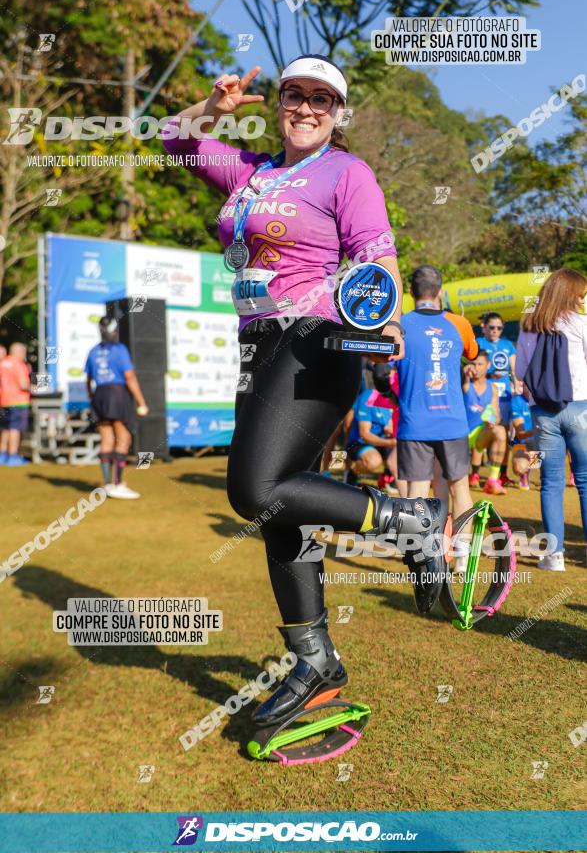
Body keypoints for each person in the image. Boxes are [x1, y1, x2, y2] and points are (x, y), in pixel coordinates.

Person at [163, 56, 449, 728]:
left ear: (338, 113)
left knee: (253, 490)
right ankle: (313, 658)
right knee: (280, 510)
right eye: (295, 94)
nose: (306, 107)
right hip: (259, 346)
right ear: (280, 102)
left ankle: (413, 521)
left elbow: (375, 253)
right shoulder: (253, 171)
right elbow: (170, 139)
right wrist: (210, 107)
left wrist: (385, 319)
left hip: (318, 338)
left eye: (322, 99)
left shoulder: (346, 173)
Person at [516, 267, 587, 571]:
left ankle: (554, 556)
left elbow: (520, 372)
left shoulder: (529, 324)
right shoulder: (582, 323)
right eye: (581, 295)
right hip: (581, 407)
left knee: (551, 483)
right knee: (584, 480)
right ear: (571, 294)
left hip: (542, 412)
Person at [396, 265, 478, 527]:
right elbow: (473, 354)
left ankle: (417, 558)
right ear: (440, 291)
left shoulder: (400, 324)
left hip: (414, 422)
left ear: (411, 291)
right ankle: (463, 557)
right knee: (460, 487)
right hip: (452, 421)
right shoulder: (459, 323)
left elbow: (381, 370)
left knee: (417, 490)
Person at [85, 317, 149, 499]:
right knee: (123, 438)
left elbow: (88, 380)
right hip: (117, 394)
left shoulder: (93, 351)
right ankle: (118, 484)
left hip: (100, 395)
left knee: (106, 438)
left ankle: (107, 484)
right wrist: (142, 402)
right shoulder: (120, 350)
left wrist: (93, 397)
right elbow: (130, 377)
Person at [344, 367, 403, 495]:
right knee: (373, 461)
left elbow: (392, 426)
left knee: (406, 450)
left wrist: (390, 431)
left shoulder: (396, 398)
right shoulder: (368, 397)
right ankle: (351, 473)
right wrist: (392, 442)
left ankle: (388, 478)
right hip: (361, 442)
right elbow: (364, 434)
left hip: (382, 441)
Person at [477, 311, 518, 486]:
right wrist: (488, 374)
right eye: (491, 327)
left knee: (505, 434)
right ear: (484, 327)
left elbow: (515, 371)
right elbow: (473, 367)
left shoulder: (508, 345)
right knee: (483, 431)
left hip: (505, 397)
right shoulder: (479, 343)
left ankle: (502, 473)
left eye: (499, 328)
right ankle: (475, 473)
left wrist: (517, 387)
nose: (495, 331)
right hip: (484, 395)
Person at [463, 350, 508, 495]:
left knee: (500, 431)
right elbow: (464, 387)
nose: (475, 367)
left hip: (479, 435)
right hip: (459, 435)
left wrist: (492, 421)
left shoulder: (492, 387)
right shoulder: (464, 383)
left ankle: (492, 480)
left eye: (479, 364)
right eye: (472, 364)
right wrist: (465, 377)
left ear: (488, 366)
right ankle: (472, 474)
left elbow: (496, 414)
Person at [0, 342, 31, 466]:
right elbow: (23, 384)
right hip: (18, 401)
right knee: (15, 428)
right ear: (20, 352)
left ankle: (2, 455)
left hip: (3, 401)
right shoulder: (19, 364)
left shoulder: (2, 363)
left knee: (5, 429)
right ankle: (13, 456)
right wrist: (33, 387)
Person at [510, 389, 534, 490]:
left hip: (544, 442)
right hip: (523, 443)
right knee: (520, 467)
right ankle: (524, 474)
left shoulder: (543, 400)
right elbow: (520, 434)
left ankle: (547, 477)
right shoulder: (517, 401)